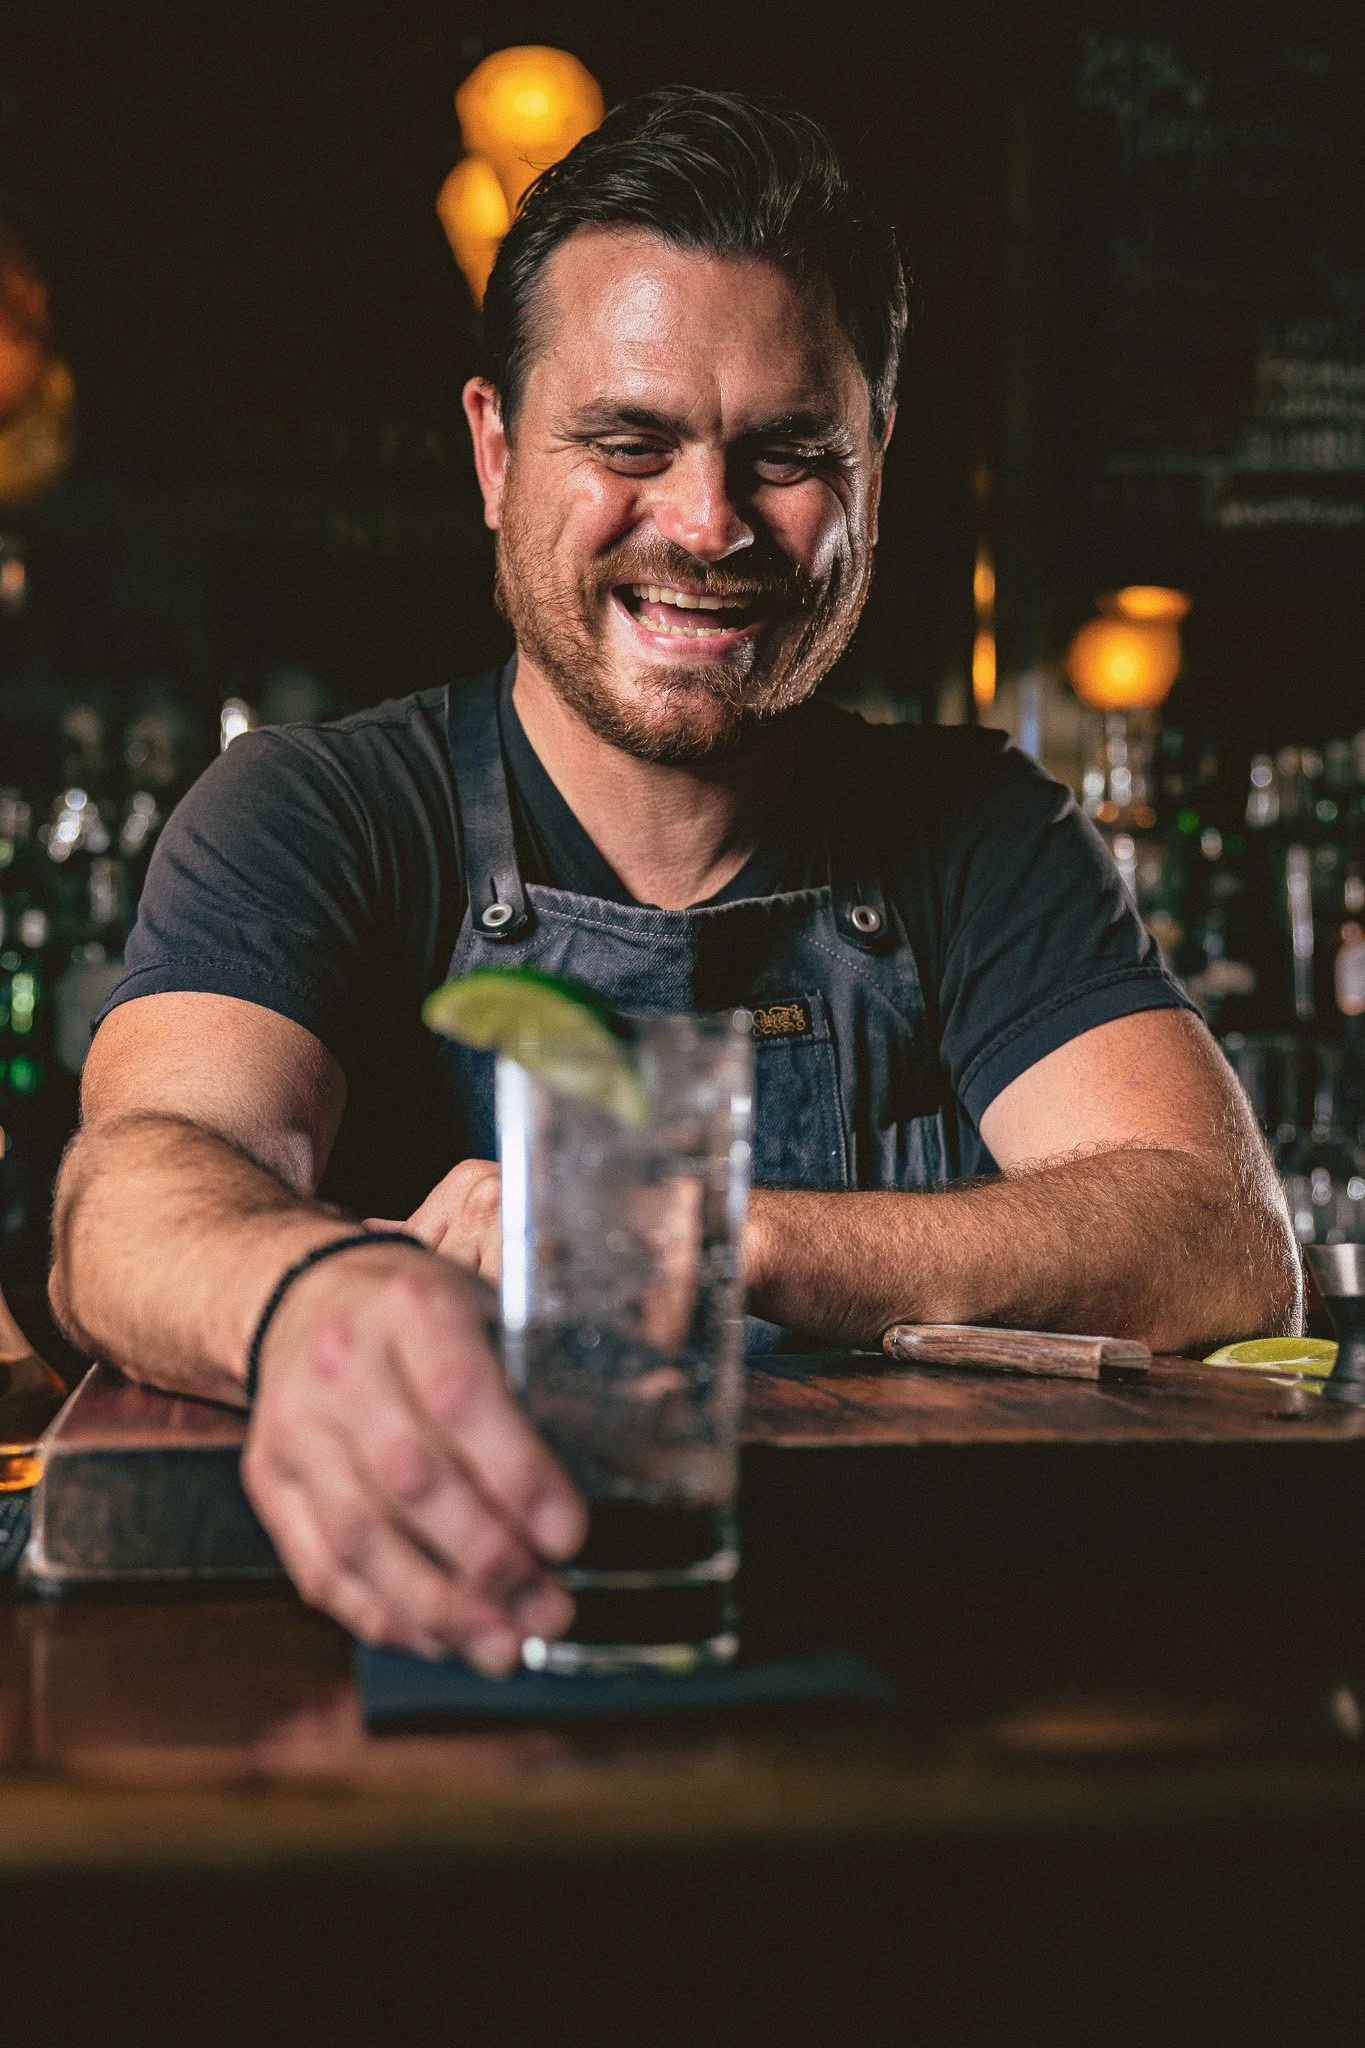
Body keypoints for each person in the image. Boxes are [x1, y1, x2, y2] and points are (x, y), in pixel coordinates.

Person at [49, 89, 1299, 1668]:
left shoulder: (979, 832)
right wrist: (315, 1298)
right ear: (497, 452)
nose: (707, 526)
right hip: (410, 1668)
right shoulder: (318, 811)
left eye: (785, 453)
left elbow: (1218, 1240)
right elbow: (137, 1188)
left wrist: (688, 1232)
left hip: (903, 1680)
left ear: (875, 463)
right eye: (628, 443)